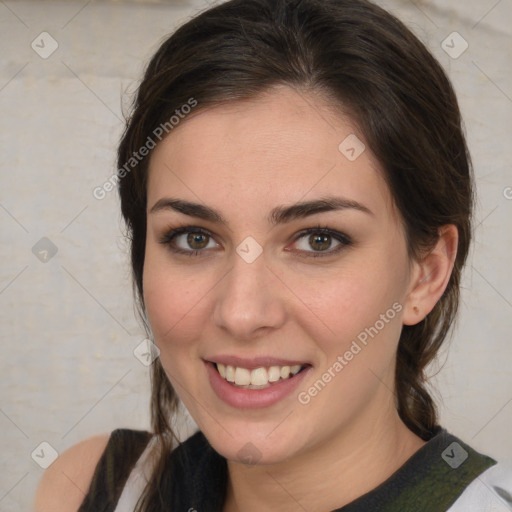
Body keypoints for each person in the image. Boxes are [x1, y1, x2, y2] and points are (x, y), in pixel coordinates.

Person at [34, 0, 512, 511]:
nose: (241, 313)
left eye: (318, 240)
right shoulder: (96, 490)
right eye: (194, 238)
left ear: (426, 274)